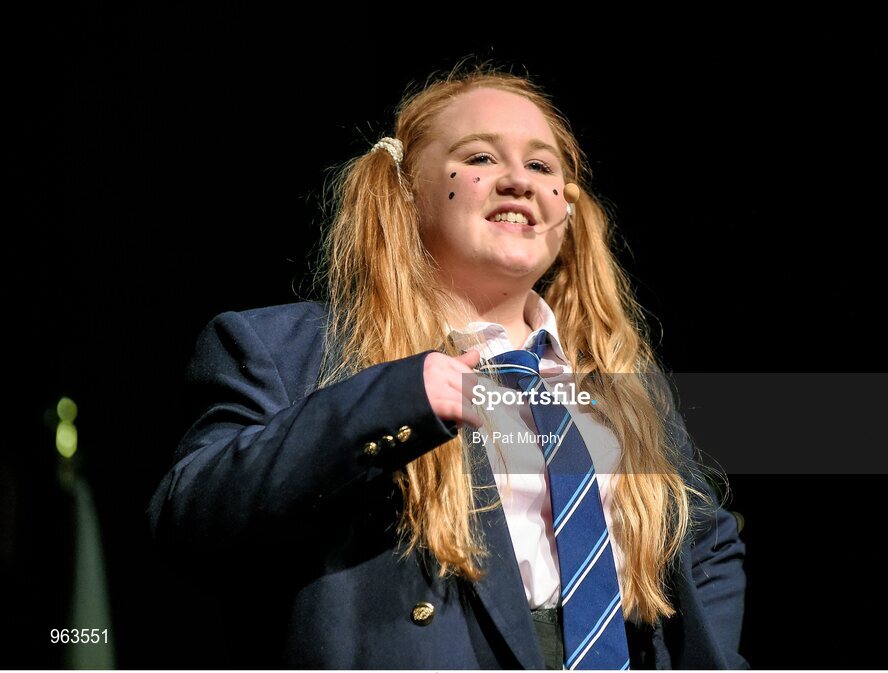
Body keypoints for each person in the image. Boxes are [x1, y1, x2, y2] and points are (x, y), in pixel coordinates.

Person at [147, 61, 747, 669]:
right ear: (406, 190)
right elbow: (188, 515)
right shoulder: (290, 349)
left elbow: (706, 543)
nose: (519, 181)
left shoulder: (622, 383)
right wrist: (396, 399)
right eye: (481, 159)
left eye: (542, 166)